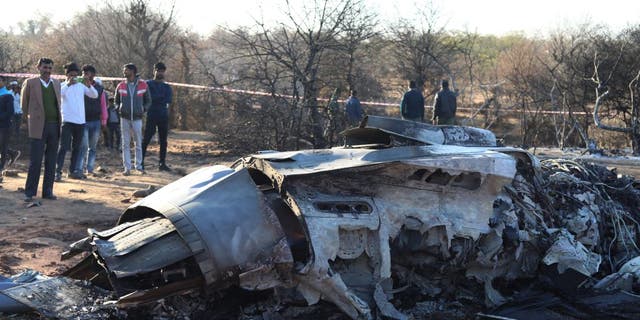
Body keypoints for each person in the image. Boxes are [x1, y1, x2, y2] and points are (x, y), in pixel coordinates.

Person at [22, 58, 62, 202]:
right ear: (38, 67)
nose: (47, 70)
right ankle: (29, 192)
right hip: (37, 127)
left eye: (50, 68)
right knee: (36, 161)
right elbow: (24, 105)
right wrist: (27, 123)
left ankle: (48, 192)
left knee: (51, 161)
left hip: (54, 126)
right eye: (45, 67)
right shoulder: (30, 83)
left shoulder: (56, 83)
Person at [55, 62, 98, 181]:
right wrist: (68, 84)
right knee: (63, 147)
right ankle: (57, 171)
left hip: (80, 121)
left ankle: (72, 170)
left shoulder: (81, 85)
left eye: (75, 75)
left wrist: (89, 85)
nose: (74, 77)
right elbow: (58, 95)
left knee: (77, 148)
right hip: (67, 121)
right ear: (67, 75)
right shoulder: (62, 85)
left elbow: (94, 95)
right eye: (71, 75)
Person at [115, 63, 151, 175]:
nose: (124, 72)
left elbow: (148, 100)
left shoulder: (143, 85)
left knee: (138, 143)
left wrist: (143, 109)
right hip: (124, 118)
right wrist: (118, 108)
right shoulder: (120, 85)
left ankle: (139, 167)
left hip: (137, 118)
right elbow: (116, 100)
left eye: (126, 70)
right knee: (125, 143)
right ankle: (127, 168)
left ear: (132, 71)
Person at [142, 62, 173, 171]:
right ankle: (140, 162)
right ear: (154, 71)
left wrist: (155, 98)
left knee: (163, 140)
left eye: (162, 71)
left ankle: (162, 163)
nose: (160, 73)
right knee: (146, 139)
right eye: (158, 71)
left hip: (163, 115)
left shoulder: (167, 87)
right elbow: (146, 98)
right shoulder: (147, 84)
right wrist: (157, 99)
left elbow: (168, 100)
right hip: (151, 114)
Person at [78, 65, 107, 175]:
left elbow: (103, 105)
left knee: (93, 147)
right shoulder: (79, 86)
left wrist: (104, 120)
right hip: (82, 120)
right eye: (83, 73)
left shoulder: (99, 88)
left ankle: (89, 169)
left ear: (93, 75)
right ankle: (79, 169)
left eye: (88, 73)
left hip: (96, 120)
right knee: (83, 146)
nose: (85, 75)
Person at [0, 76, 15, 172]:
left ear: (3, 82)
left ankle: (1, 168)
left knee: (3, 146)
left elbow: (10, 112)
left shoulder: (8, 95)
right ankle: (13, 153)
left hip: (5, 126)